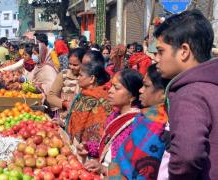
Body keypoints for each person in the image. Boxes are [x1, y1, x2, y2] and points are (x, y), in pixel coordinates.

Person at [154, 9, 218, 179]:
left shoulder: (189, 94)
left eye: (161, 51)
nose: (156, 59)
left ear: (184, 51)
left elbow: (187, 155)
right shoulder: (211, 86)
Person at [80, 65, 168, 179]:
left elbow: (129, 166)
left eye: (116, 88)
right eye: (111, 86)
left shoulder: (139, 122)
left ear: (131, 95)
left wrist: (104, 169)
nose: (110, 91)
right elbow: (107, 147)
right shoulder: (115, 115)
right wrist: (88, 147)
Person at [65, 59, 112, 144]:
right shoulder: (84, 95)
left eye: (80, 75)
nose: (78, 78)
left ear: (91, 79)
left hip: (87, 150)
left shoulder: (97, 99)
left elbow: (97, 131)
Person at [47, 48, 86, 125]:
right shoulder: (64, 75)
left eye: (75, 65)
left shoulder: (86, 78)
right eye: (70, 64)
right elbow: (50, 96)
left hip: (79, 121)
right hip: (62, 120)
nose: (71, 67)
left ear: (83, 63)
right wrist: (65, 104)